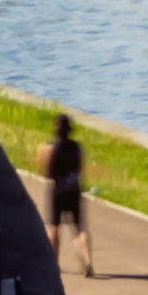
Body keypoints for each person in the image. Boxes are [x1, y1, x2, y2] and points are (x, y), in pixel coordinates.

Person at [42, 109, 94, 280]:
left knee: (54, 227)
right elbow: (80, 168)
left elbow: (47, 172)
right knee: (79, 228)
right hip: (74, 189)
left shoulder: (51, 148)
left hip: (58, 191)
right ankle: (87, 261)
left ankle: (54, 263)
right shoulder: (77, 148)